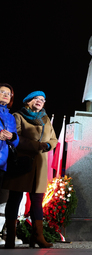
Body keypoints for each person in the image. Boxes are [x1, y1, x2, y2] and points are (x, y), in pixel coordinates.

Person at [2, 91, 58, 248]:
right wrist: (36, 146)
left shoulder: (46, 119)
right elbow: (16, 136)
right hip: (22, 162)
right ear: (28, 101)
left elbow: (53, 138)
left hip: (40, 165)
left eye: (43, 100)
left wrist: (48, 145)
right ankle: (10, 238)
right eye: (37, 99)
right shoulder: (18, 116)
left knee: (37, 201)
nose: (40, 101)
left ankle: (37, 236)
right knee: (14, 199)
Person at [0, 83, 19, 244]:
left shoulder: (11, 117)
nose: (6, 95)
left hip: (5, 163)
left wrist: (11, 137)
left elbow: (16, 140)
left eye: (9, 93)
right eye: (2, 92)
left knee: (3, 200)